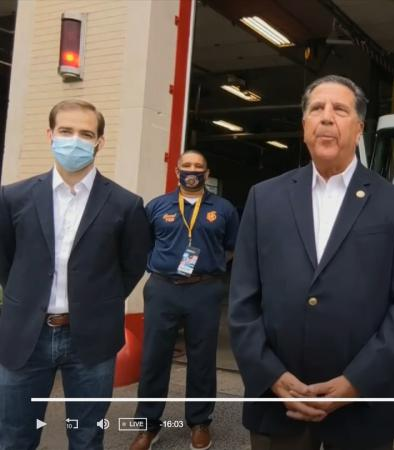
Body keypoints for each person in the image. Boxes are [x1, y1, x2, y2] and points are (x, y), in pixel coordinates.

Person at [228, 74, 394, 450]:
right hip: (280, 403)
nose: (326, 117)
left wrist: (357, 381)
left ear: (359, 127)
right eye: (317, 108)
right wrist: (272, 375)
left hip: (363, 406)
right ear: (304, 125)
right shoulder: (264, 198)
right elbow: (242, 300)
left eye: (340, 109)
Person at [0, 99, 151, 449]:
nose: (74, 141)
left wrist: (97, 302)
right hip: (25, 334)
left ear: (100, 142)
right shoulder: (13, 197)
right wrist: (28, 297)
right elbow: (6, 260)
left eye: (86, 134)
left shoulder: (126, 204)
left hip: (92, 339)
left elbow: (132, 265)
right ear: (50, 135)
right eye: (66, 131)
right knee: (14, 437)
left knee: (87, 437)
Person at [129, 150, 239, 450]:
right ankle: (147, 425)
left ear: (207, 172)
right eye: (187, 165)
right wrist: (161, 266)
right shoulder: (157, 206)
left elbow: (232, 246)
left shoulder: (224, 209)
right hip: (163, 289)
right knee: (154, 358)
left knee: (202, 358)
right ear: (177, 170)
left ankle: (200, 422)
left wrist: (208, 266)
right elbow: (143, 243)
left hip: (204, 289)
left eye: (198, 166)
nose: (193, 170)